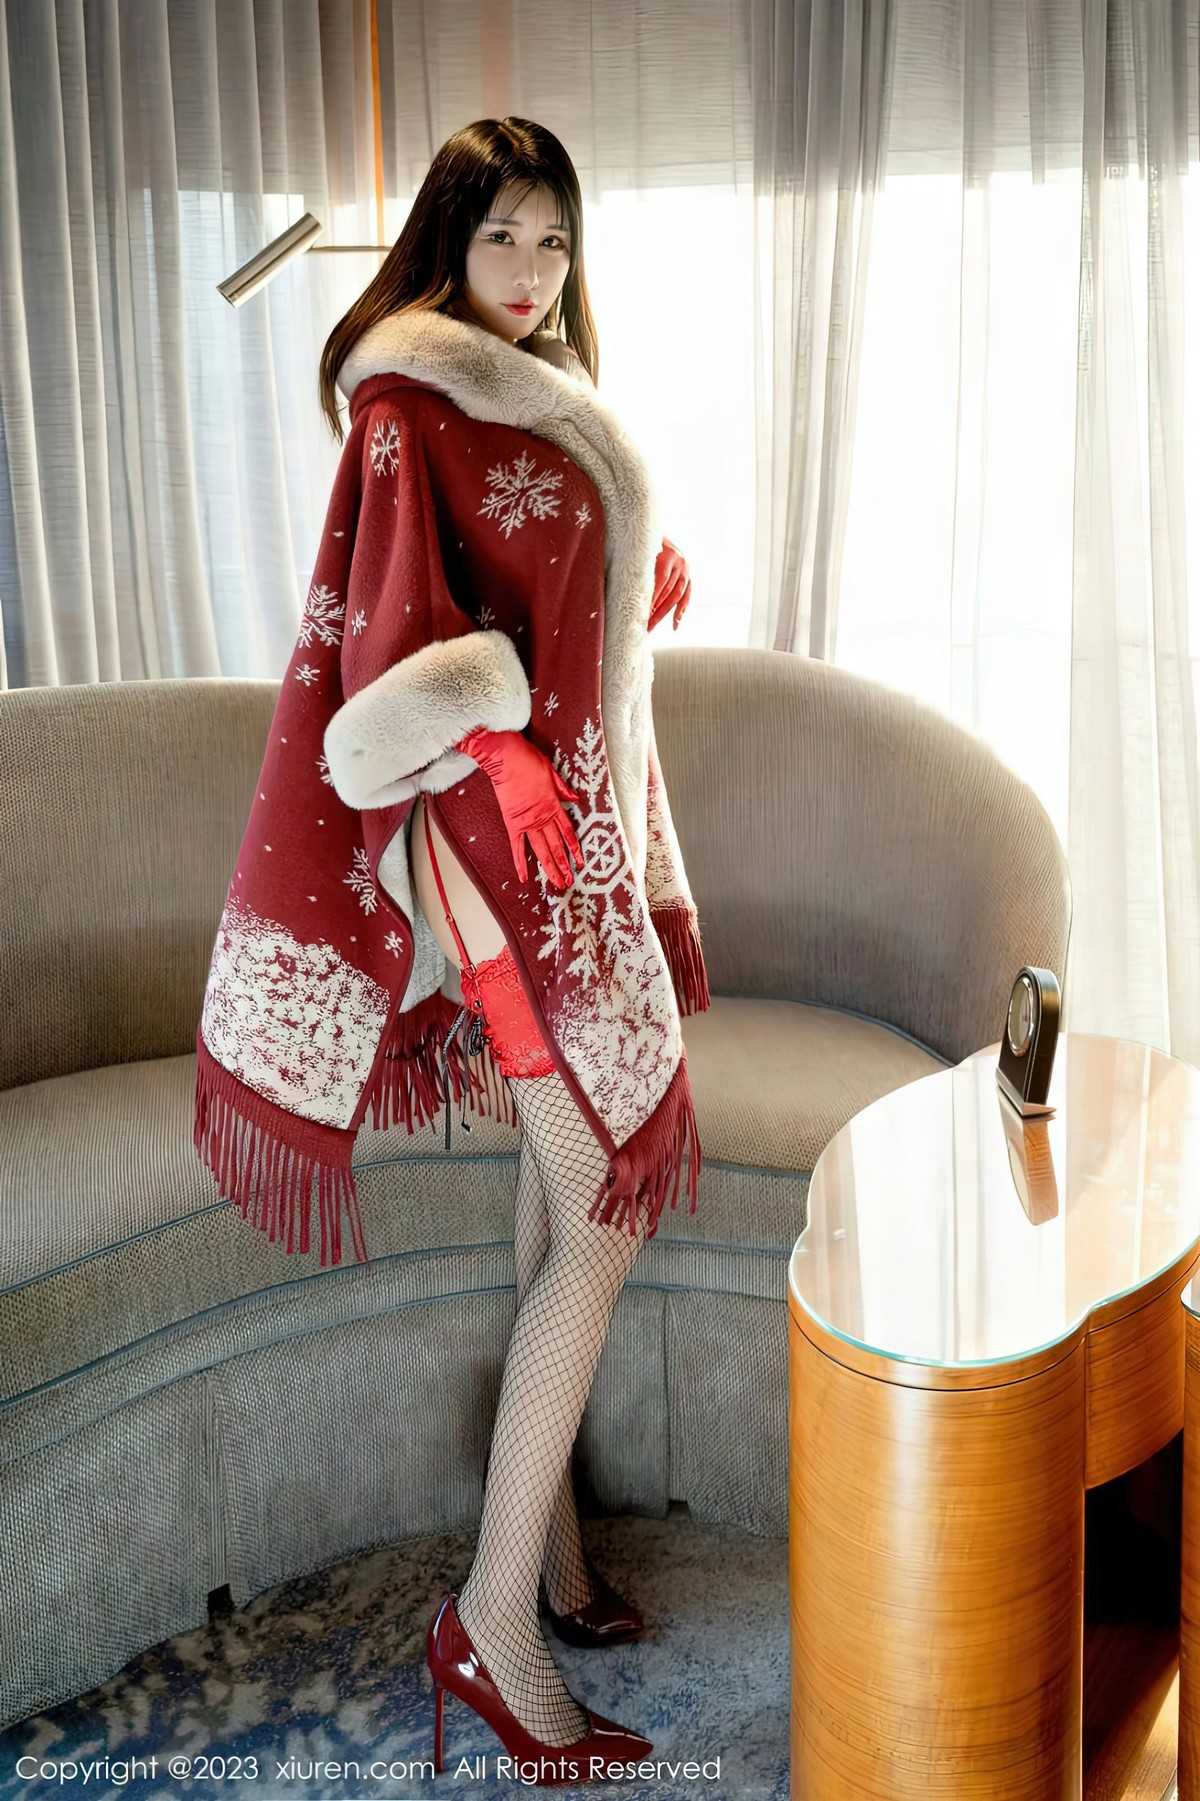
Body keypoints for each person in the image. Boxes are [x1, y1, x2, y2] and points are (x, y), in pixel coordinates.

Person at [198, 115, 705, 1789]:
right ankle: (490, 1621)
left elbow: (533, 591)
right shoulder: (407, 402)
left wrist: (630, 571)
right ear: (447, 239)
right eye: (503, 238)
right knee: (604, 1196)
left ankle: (547, 1564)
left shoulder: (542, 394)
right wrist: (492, 740)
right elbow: (389, 670)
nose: (533, 270)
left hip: (553, 838)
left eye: (555, 239)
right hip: (490, 846)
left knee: (560, 1192)